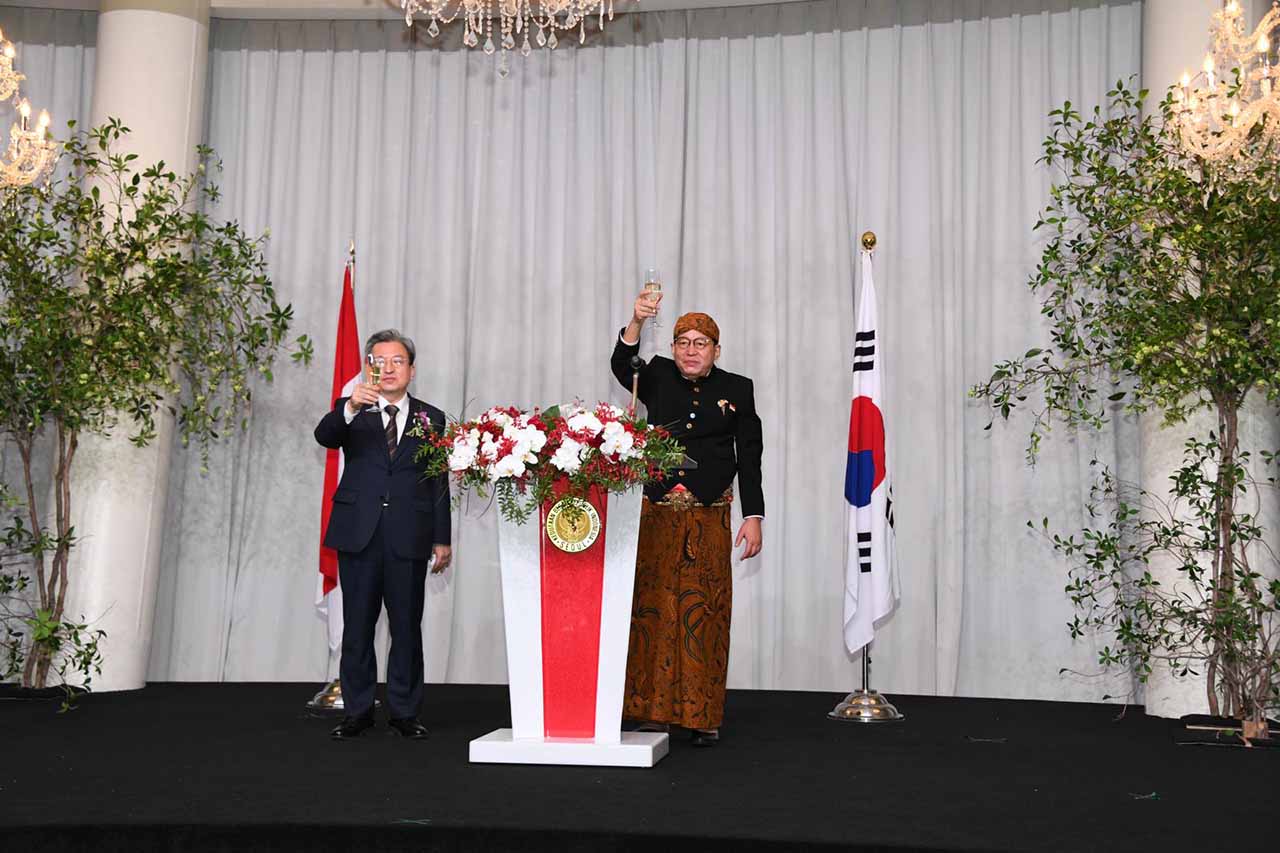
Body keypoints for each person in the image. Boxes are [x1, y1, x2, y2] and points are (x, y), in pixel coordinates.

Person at [611, 293, 763, 746]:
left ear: (716, 349)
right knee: (653, 610)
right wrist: (636, 321)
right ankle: (652, 712)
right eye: (683, 342)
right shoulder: (656, 375)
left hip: (708, 518)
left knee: (704, 612)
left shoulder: (738, 388)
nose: (691, 351)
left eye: (700, 343)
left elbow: (749, 456)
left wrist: (754, 516)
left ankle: (701, 715)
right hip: (657, 515)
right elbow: (621, 363)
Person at [314, 329, 452, 740]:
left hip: (409, 534)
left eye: (397, 361)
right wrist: (351, 406)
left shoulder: (432, 417)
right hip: (359, 533)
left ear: (411, 369)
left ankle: (405, 713)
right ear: (368, 367)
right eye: (379, 361)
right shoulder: (351, 409)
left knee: (406, 627)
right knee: (358, 626)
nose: (388, 369)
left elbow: (438, 480)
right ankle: (356, 711)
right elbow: (325, 436)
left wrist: (442, 537)